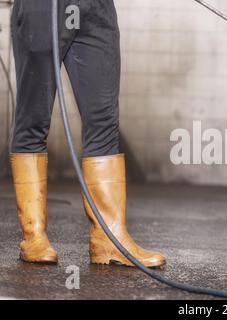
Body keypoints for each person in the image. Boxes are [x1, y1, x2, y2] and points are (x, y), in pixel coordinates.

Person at [9, 0, 165, 267]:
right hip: (42, 8)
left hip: (96, 9)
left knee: (104, 121)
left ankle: (108, 238)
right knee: (34, 119)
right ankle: (33, 237)